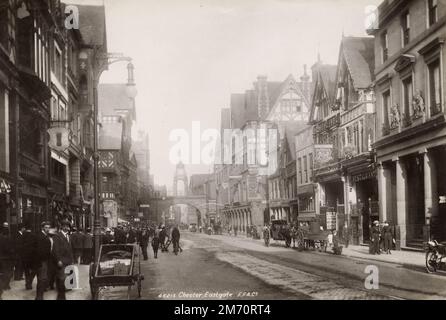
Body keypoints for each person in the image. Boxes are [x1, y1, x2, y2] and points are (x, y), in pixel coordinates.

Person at [52, 221, 74, 300]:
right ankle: (61, 297)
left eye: (68, 226)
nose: (67, 228)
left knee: (65, 279)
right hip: (62, 261)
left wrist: (72, 259)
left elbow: (70, 249)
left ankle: (61, 297)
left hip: (68, 261)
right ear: (62, 227)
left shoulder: (69, 236)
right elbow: (55, 250)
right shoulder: (57, 236)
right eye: (65, 226)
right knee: (62, 279)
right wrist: (58, 260)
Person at [35, 221, 52, 300]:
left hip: (44, 261)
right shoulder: (41, 236)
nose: (47, 229)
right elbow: (39, 250)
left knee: (42, 279)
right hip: (42, 261)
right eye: (46, 227)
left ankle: (39, 296)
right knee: (42, 279)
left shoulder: (45, 236)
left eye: (48, 227)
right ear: (42, 228)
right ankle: (39, 297)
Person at [20, 225, 37, 290]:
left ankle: (28, 284)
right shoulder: (34, 235)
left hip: (24, 256)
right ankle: (30, 281)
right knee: (34, 270)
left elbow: (20, 246)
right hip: (32, 256)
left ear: (25, 228)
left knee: (26, 270)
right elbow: (36, 246)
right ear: (31, 229)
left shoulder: (22, 236)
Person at [0, 224, 14, 297]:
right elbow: (9, 249)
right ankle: (6, 285)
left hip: (1, 258)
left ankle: (3, 285)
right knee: (8, 272)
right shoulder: (8, 239)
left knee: (3, 272)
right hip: (7, 258)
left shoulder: (0, 238)